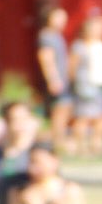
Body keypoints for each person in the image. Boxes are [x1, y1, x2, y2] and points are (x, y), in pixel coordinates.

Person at [69, 13, 102, 158]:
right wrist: (75, 84)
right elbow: (72, 68)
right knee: (83, 117)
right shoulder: (80, 46)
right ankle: (81, 146)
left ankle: (96, 143)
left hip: (100, 84)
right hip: (85, 86)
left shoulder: (100, 44)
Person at [35, 8, 71, 149]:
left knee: (65, 109)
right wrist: (53, 79)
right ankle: (56, 142)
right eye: (59, 17)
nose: (63, 21)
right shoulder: (46, 36)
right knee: (58, 111)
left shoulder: (57, 36)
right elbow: (46, 58)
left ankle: (58, 139)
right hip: (57, 81)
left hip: (63, 79)